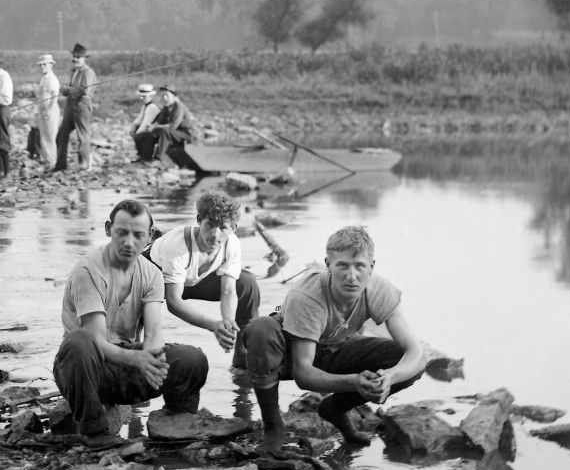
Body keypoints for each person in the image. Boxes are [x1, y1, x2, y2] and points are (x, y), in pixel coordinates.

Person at [239, 226, 427, 451]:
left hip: (335, 348)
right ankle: (273, 428)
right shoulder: (307, 296)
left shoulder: (378, 289)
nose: (352, 276)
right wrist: (353, 381)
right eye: (342, 266)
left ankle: (334, 409)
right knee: (261, 328)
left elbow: (415, 352)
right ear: (328, 265)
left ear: (372, 267)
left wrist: (389, 378)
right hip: (289, 354)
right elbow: (303, 374)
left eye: (360, 266)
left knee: (411, 361)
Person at [54, 199, 209, 448]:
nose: (129, 242)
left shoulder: (152, 274)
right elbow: (96, 339)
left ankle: (177, 422)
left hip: (126, 365)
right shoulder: (88, 270)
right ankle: (93, 432)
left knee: (192, 359)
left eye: (138, 235)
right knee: (79, 341)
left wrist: (153, 362)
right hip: (86, 371)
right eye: (121, 233)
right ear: (108, 230)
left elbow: (154, 331)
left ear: (150, 236)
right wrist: (138, 360)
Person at [147, 190, 260, 368]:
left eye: (223, 227)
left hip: (195, 280)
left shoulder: (232, 243)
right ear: (199, 220)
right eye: (210, 225)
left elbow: (229, 290)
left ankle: (243, 359)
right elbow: (173, 301)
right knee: (138, 300)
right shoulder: (177, 246)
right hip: (157, 279)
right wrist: (213, 325)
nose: (215, 235)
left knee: (247, 283)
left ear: (233, 228)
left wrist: (227, 325)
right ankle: (135, 354)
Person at [53, 43, 98, 173]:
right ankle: (60, 165)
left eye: (78, 57)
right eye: (74, 56)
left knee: (82, 137)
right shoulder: (74, 71)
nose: (75, 59)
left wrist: (69, 89)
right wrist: (65, 91)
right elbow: (73, 89)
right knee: (61, 136)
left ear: (84, 58)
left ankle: (84, 165)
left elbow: (85, 90)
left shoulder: (88, 72)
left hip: (82, 106)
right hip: (70, 106)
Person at [150, 86, 201, 171]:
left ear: (174, 97)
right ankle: (147, 157)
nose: (164, 98)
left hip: (187, 134)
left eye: (167, 96)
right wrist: (151, 127)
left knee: (165, 132)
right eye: (162, 96)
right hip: (177, 133)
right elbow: (160, 122)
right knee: (153, 132)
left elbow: (173, 126)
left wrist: (156, 126)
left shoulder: (178, 106)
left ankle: (158, 159)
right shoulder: (167, 107)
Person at [31, 53, 60, 164]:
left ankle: (52, 161)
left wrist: (48, 109)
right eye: (41, 65)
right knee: (44, 135)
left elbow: (54, 96)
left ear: (51, 65)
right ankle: (47, 159)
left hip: (50, 111)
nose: (43, 67)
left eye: (45, 64)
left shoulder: (52, 79)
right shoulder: (44, 78)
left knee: (50, 136)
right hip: (43, 109)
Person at [128, 83, 161, 163]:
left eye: (144, 96)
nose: (142, 98)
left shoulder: (152, 107)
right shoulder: (145, 106)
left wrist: (137, 135)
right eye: (141, 96)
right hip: (148, 128)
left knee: (142, 135)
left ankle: (146, 157)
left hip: (154, 130)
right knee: (137, 133)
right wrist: (133, 126)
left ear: (150, 96)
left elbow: (146, 122)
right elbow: (140, 118)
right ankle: (141, 155)